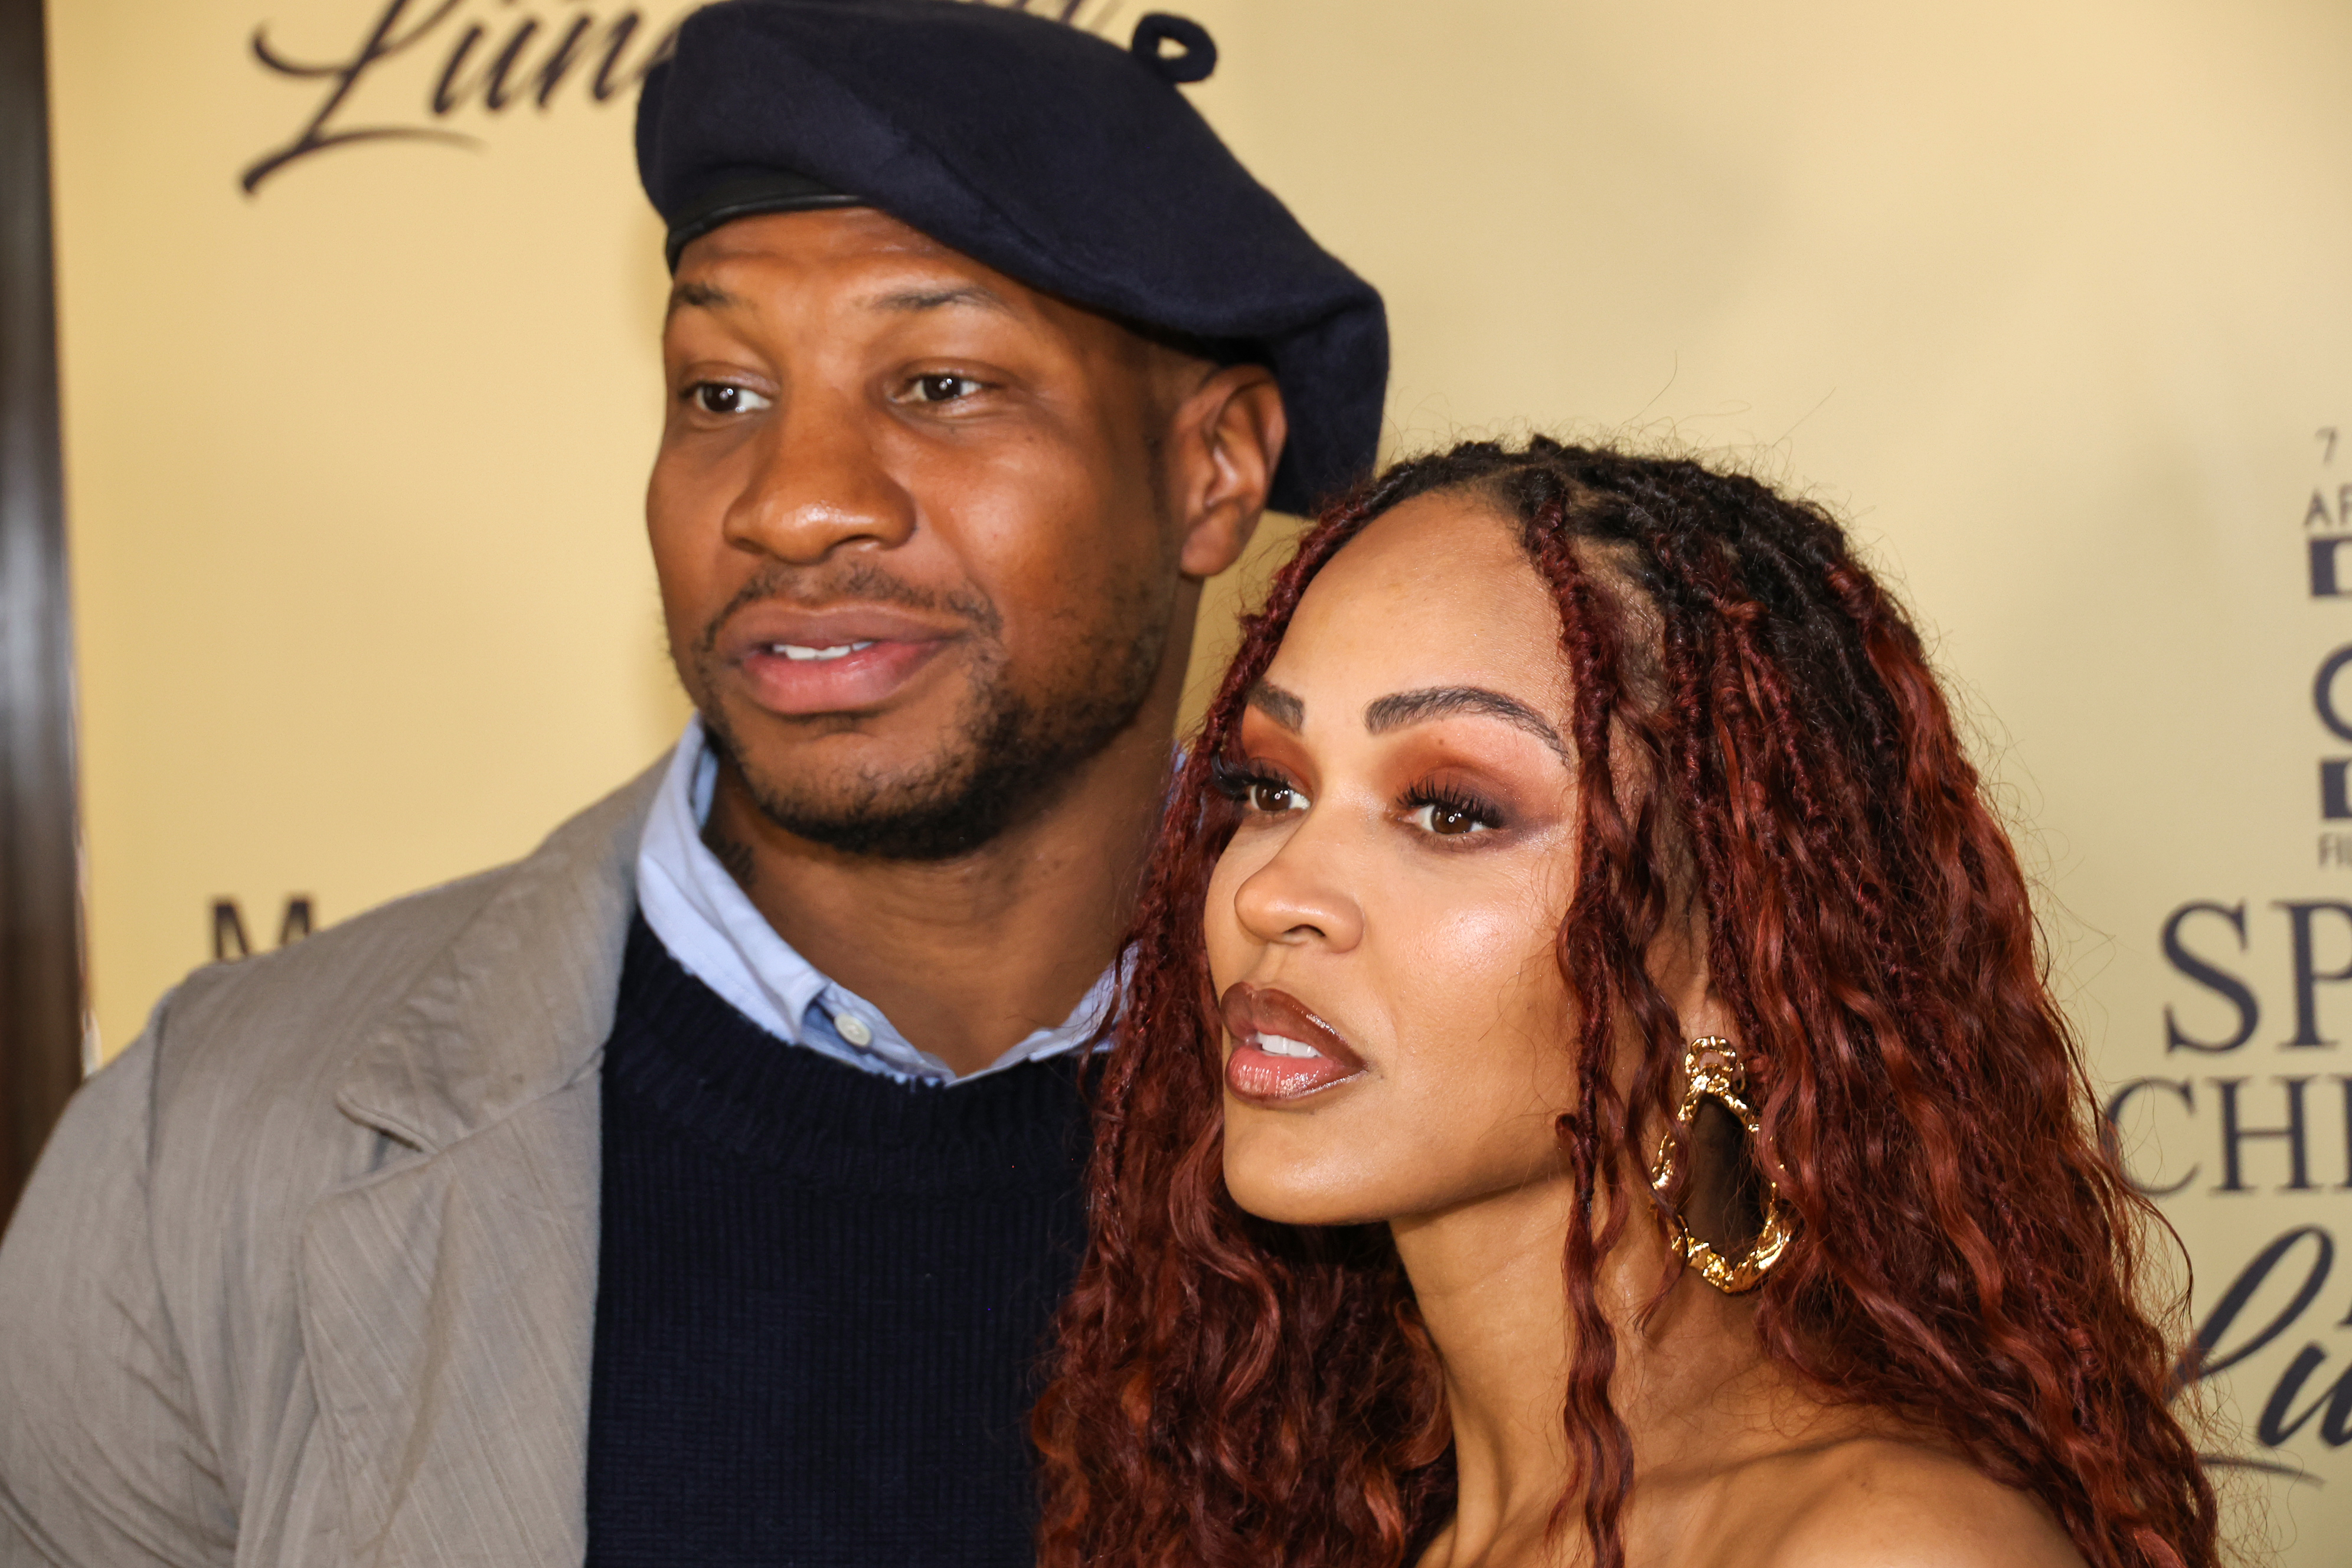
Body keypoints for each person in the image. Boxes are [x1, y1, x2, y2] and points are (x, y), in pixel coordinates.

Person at [0, 5, 1384, 1566]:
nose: (792, 506)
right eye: (721, 393)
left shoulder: (1455, 1127)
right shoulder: (215, 1143)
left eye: (940, 383)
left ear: (1213, 472)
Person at [1034, 439, 2218, 1568]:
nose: (1275, 890)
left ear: (1739, 960)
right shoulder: (1307, 1517)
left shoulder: (1875, 1543)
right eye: (1269, 785)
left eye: (1451, 807)